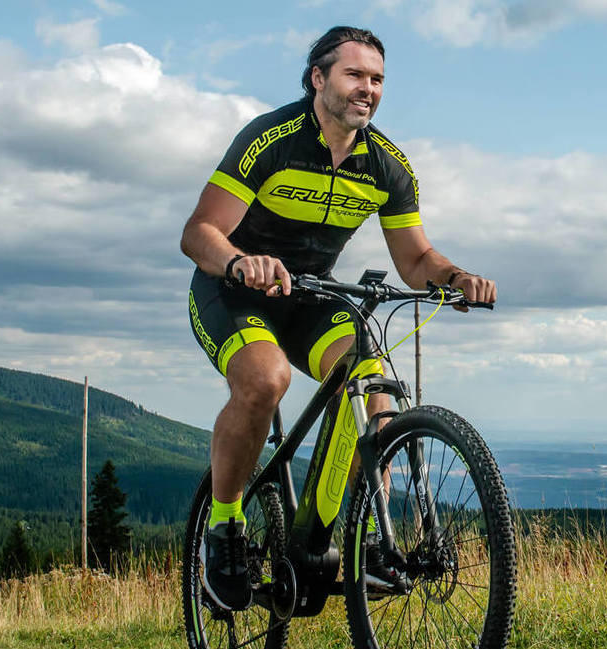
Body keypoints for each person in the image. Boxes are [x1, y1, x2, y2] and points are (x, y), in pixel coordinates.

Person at [180, 26, 496, 611]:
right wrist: (240, 262)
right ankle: (224, 528)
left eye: (377, 79)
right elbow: (199, 233)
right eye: (355, 75)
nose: (367, 88)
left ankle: (367, 536)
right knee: (266, 380)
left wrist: (455, 278)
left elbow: (415, 260)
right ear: (318, 78)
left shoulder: (386, 165)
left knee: (373, 387)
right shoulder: (270, 140)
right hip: (236, 290)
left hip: (313, 297)